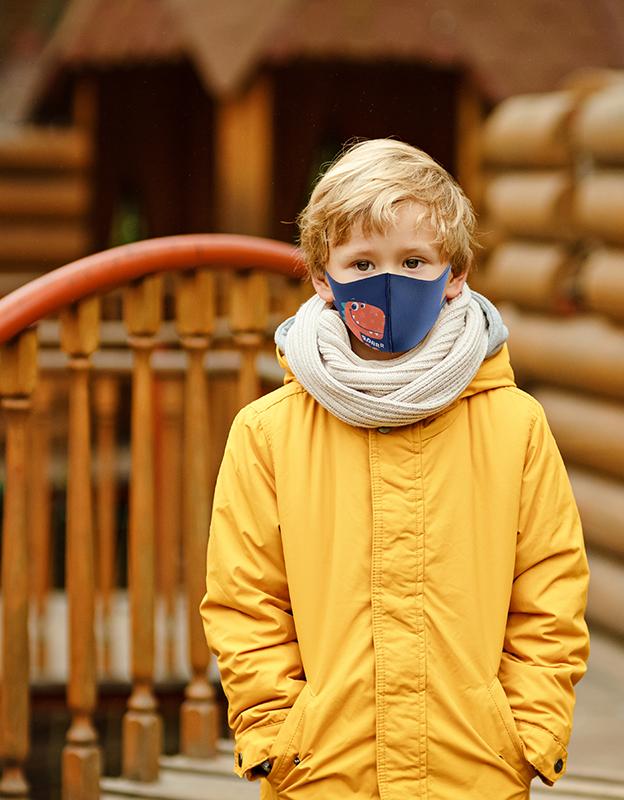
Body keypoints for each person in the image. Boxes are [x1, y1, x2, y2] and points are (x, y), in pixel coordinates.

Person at [199, 138, 590, 800]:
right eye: (362, 262)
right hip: (322, 776)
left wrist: (526, 736)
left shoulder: (515, 426)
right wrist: (276, 737)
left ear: (454, 273)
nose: (389, 280)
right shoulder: (267, 433)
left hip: (476, 773)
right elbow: (246, 602)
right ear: (322, 276)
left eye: (413, 261)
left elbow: (549, 594)